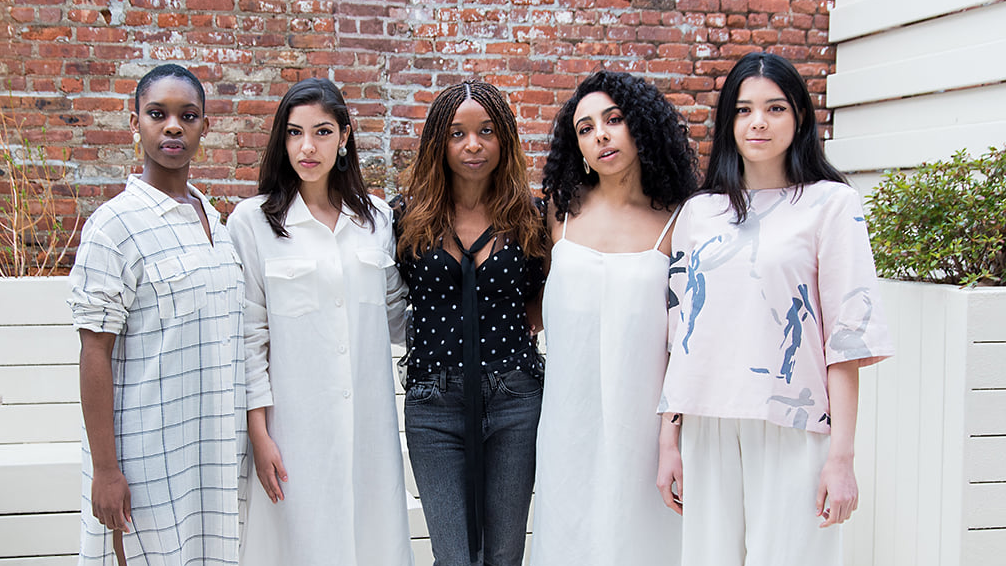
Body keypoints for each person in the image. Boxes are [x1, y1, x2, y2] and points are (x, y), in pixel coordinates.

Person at [656, 52, 895, 566]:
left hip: (795, 422)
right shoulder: (698, 213)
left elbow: (846, 343)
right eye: (743, 110)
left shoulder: (831, 204)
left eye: (775, 108)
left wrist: (842, 458)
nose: (758, 122)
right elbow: (680, 338)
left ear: (800, 118)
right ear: (727, 122)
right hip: (706, 421)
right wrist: (668, 441)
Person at [227, 78, 413, 565]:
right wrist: (259, 434)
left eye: (323, 132)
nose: (307, 147)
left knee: (372, 543)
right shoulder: (253, 222)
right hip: (293, 432)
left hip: (370, 427)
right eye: (294, 133)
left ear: (345, 137)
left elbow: (398, 318)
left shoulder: (375, 219)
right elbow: (248, 338)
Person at [69, 64, 246, 565]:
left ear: (204, 127)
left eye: (187, 115)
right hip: (144, 457)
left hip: (208, 451)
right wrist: (106, 470)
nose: (173, 126)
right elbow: (94, 351)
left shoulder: (212, 218)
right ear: (135, 123)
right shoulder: (115, 225)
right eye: (157, 114)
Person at [529, 70, 697, 566]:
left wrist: (673, 432)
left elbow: (686, 340)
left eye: (613, 119)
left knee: (640, 543)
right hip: (567, 422)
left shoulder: (679, 219)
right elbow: (531, 308)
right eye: (585, 128)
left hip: (644, 427)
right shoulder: (559, 212)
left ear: (640, 127)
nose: (600, 134)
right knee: (569, 539)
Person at [394, 80, 548, 566]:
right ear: (439, 141)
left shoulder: (531, 214)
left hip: (514, 400)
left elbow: (547, 290)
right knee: (453, 556)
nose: (473, 144)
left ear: (504, 138)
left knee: (504, 554)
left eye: (485, 131)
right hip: (433, 403)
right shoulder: (406, 216)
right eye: (457, 133)